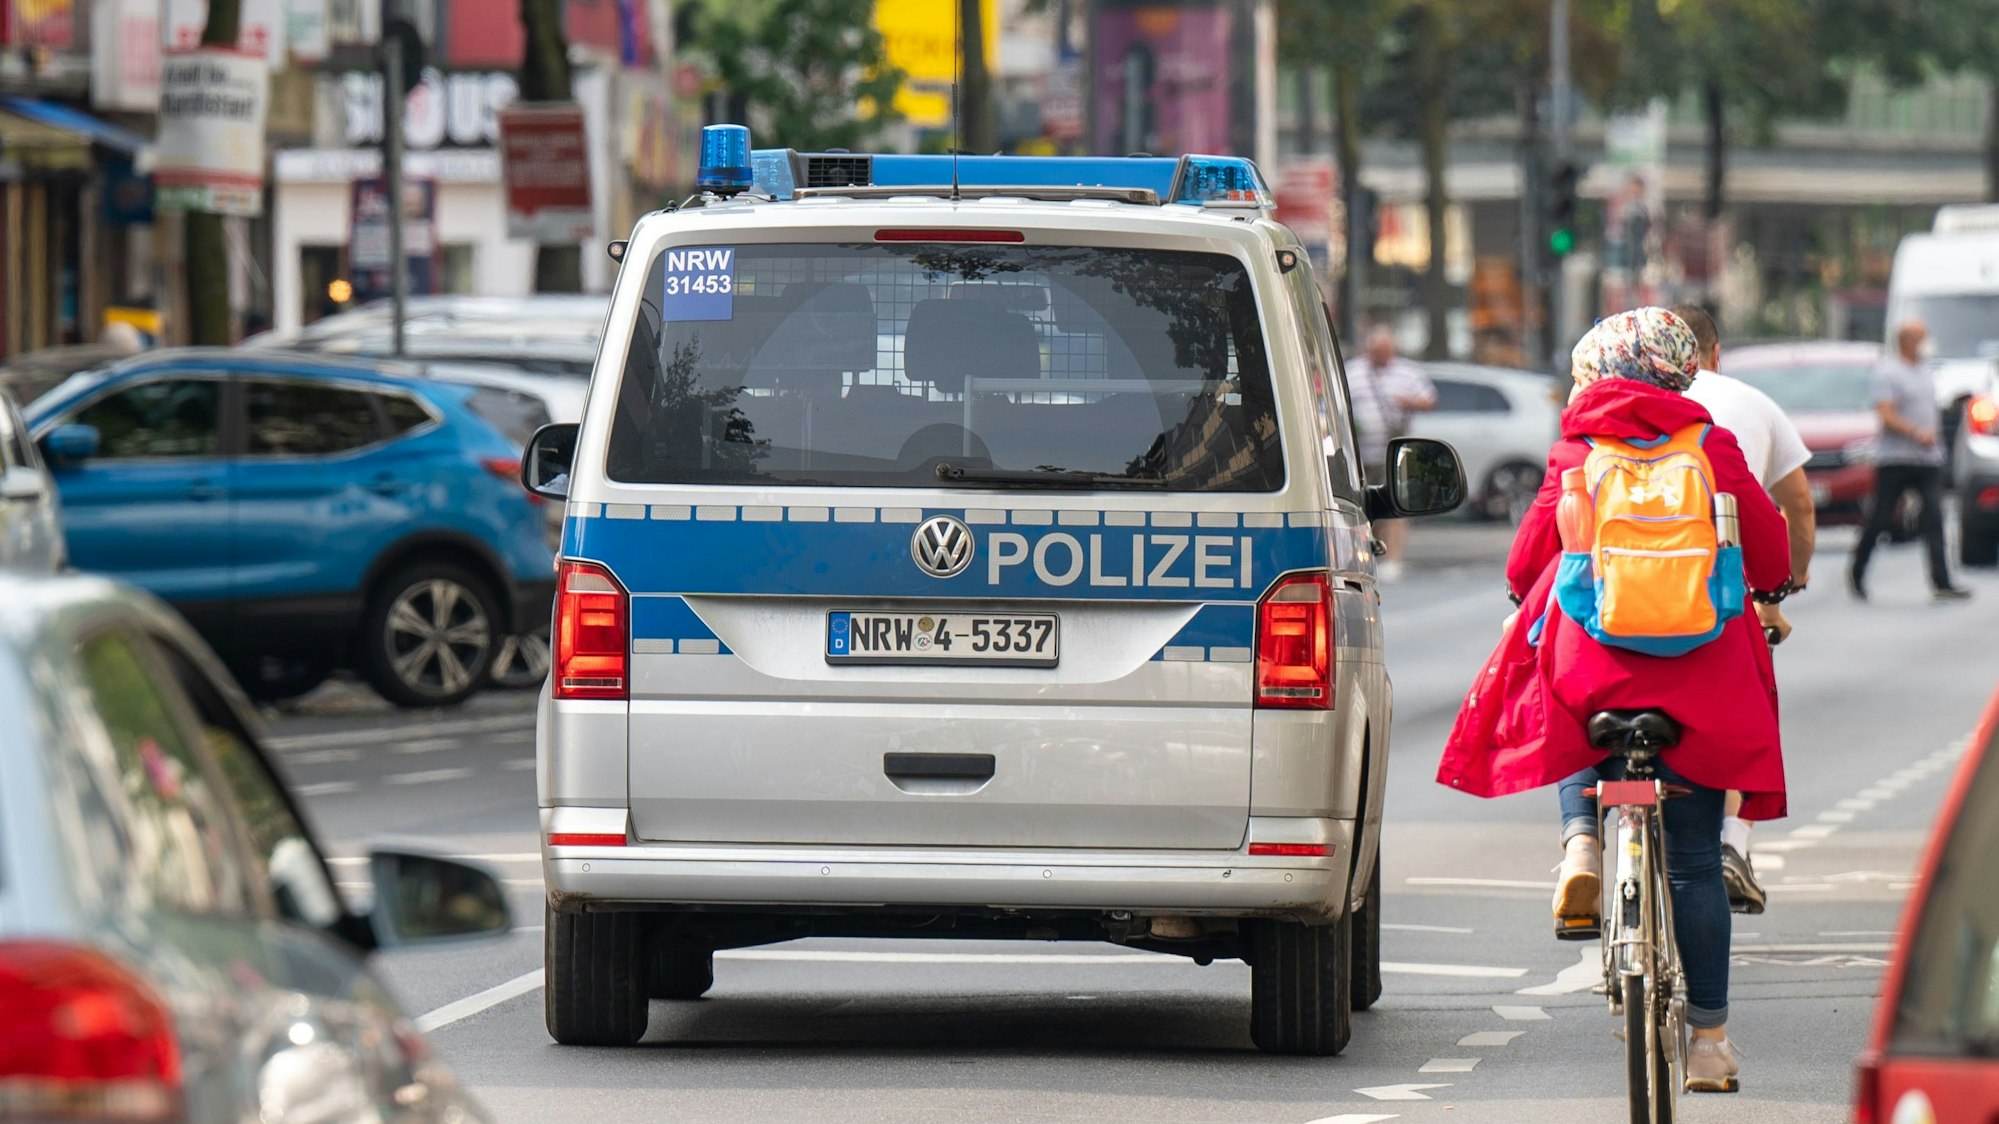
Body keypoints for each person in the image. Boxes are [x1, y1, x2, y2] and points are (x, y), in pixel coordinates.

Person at [1437, 307, 1791, 1094]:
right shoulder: (1711, 446)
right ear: (1676, 371)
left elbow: (1527, 557)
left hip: (1595, 670)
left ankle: (1581, 843)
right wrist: (1768, 588)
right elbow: (1767, 550)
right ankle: (1706, 1042)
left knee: (1558, 694)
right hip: (1700, 677)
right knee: (1696, 864)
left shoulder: (1577, 448)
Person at [1673, 302, 1815, 915]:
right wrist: (1782, 589)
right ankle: (1733, 840)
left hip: (1616, 603)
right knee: (1746, 712)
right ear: (1714, 354)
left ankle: (1583, 839)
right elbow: (1794, 509)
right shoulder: (1743, 411)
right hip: (1718, 592)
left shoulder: (1604, 412)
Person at [1849, 319, 1972, 603]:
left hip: (1927, 460)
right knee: (1880, 519)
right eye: (1921, 338)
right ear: (1906, 341)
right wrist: (1915, 432)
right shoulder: (1888, 373)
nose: (1927, 343)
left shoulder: (1924, 372)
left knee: (1934, 519)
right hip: (1896, 459)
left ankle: (1942, 581)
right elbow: (1886, 413)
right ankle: (1857, 571)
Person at [1345, 325, 1437, 581]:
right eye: (1376, 351)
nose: (1381, 356)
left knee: (1395, 505)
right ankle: (1363, 553)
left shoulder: (1407, 373)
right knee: (1361, 504)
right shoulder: (1353, 372)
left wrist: (1407, 403)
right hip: (1359, 453)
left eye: (1385, 351)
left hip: (1393, 450)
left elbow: (1429, 399)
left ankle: (1393, 557)